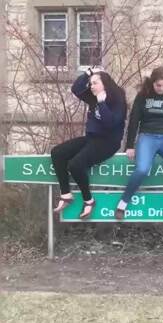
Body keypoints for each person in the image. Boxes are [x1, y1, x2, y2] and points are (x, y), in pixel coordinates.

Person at [114, 66, 163, 225]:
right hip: (147, 136)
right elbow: (134, 121)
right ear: (152, 83)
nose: (161, 88)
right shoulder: (143, 96)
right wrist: (130, 145)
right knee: (142, 169)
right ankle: (124, 202)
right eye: (158, 85)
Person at [51, 67, 127, 219]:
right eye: (91, 83)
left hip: (108, 143)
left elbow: (110, 123)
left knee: (75, 165)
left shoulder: (118, 101)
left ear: (105, 84)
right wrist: (88, 73)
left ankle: (89, 200)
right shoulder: (92, 96)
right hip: (92, 138)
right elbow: (76, 88)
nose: (91, 86)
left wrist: (101, 102)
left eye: (95, 83)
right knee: (57, 153)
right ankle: (66, 194)